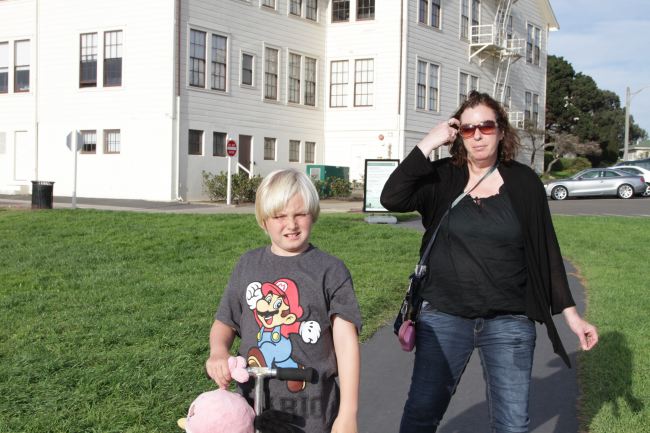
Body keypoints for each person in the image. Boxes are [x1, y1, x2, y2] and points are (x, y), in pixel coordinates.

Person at [380, 91, 598, 433]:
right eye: (468, 129)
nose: (478, 135)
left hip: (509, 321)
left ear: (501, 130)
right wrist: (428, 142)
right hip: (444, 316)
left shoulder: (524, 182)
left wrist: (572, 315)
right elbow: (391, 197)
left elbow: (546, 249)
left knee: (512, 424)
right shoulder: (442, 177)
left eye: (486, 126)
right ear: (459, 134)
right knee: (422, 413)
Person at [206, 168, 362, 433]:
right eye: (279, 216)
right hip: (252, 405)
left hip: (312, 412)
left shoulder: (330, 271)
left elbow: (346, 343)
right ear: (264, 220)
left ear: (313, 214)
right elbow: (225, 321)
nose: (291, 224)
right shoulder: (248, 265)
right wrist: (218, 351)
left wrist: (348, 412)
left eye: (300, 214)